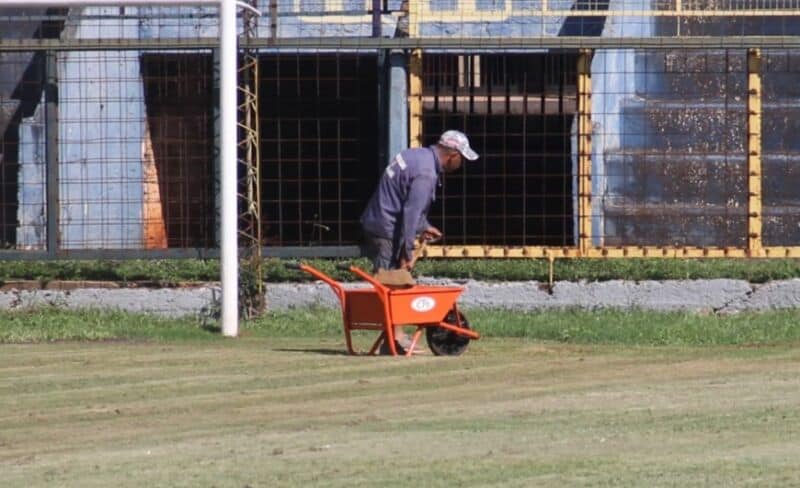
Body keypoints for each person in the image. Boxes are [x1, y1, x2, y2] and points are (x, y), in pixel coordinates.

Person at [360, 129, 479, 352]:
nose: (461, 164)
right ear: (452, 155)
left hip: (377, 220)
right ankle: (393, 341)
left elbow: (400, 197)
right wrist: (407, 250)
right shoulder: (427, 174)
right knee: (392, 283)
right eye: (462, 159)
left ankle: (394, 337)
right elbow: (410, 212)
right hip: (387, 229)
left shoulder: (416, 156)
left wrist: (424, 227)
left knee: (391, 283)